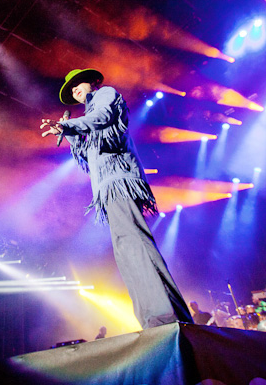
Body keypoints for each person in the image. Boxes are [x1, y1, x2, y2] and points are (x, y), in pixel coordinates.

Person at [40, 68, 193, 329]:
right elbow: (87, 155)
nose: (74, 91)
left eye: (77, 84)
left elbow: (102, 117)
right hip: (107, 189)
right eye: (71, 90)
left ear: (92, 82)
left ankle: (166, 317)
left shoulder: (105, 95)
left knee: (135, 245)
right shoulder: (87, 117)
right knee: (126, 253)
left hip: (119, 181)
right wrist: (69, 134)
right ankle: (152, 320)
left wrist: (69, 125)